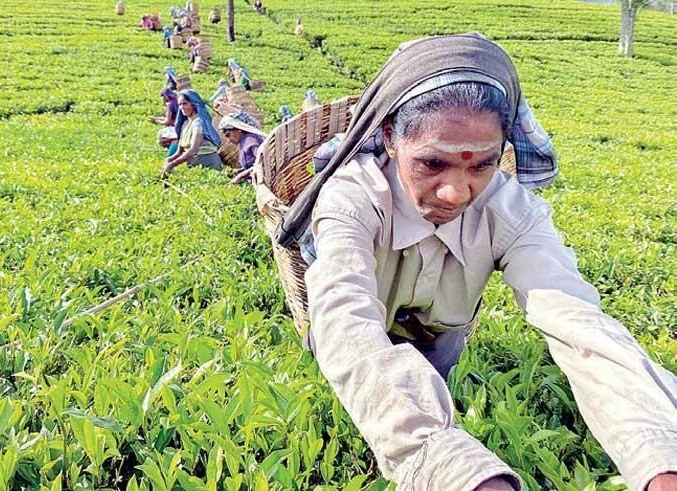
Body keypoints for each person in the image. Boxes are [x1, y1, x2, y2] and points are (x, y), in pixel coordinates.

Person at [275, 33, 677, 491]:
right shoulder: (353, 197)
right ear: (389, 138)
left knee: (432, 386)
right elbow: (345, 317)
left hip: (441, 334)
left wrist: (661, 455)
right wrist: (456, 471)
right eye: (431, 164)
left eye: (481, 165)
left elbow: (579, 322)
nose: (456, 193)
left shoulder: (512, 213)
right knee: (368, 410)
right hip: (369, 322)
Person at [162, 89, 223, 175]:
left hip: (207, 163)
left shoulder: (198, 122)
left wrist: (172, 164)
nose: (181, 107)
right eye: (180, 104)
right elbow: (179, 152)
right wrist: (169, 160)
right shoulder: (185, 123)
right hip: (193, 163)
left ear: (194, 105)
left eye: (185, 103)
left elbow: (193, 150)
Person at [218, 111, 266, 184]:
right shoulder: (243, 142)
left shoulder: (251, 141)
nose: (229, 140)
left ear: (238, 129)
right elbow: (251, 164)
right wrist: (239, 171)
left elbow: (263, 162)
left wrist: (241, 176)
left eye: (228, 135)